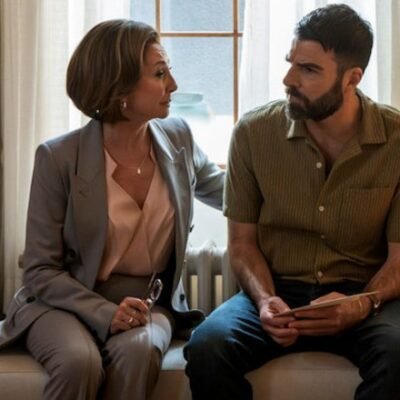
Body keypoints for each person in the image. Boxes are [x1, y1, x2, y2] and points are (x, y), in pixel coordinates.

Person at [0, 19, 224, 400]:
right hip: (63, 303)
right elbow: (40, 270)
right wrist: (104, 312)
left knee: (139, 352)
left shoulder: (179, 138)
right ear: (120, 89)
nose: (173, 84)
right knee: (78, 362)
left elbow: (232, 193)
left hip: (146, 305)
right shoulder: (57, 157)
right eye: (159, 73)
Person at [184, 4, 400, 400]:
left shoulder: (396, 140)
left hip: (363, 294)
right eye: (291, 63)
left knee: (397, 352)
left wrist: (362, 303)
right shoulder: (253, 133)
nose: (288, 80)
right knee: (207, 347)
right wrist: (265, 300)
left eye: (309, 69)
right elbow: (242, 244)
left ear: (352, 78)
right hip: (278, 287)